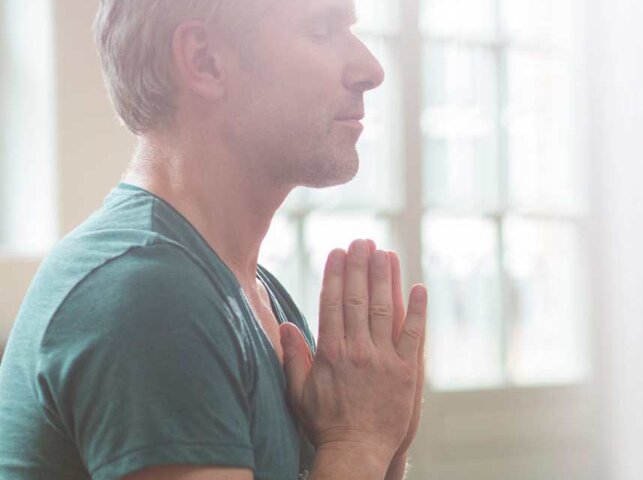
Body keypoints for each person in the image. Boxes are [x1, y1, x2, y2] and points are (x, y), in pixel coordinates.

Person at [0, 0, 428, 478]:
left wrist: (382, 437)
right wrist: (360, 441)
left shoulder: (248, 288)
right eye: (321, 30)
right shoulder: (148, 292)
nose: (370, 69)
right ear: (204, 61)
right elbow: (352, 453)